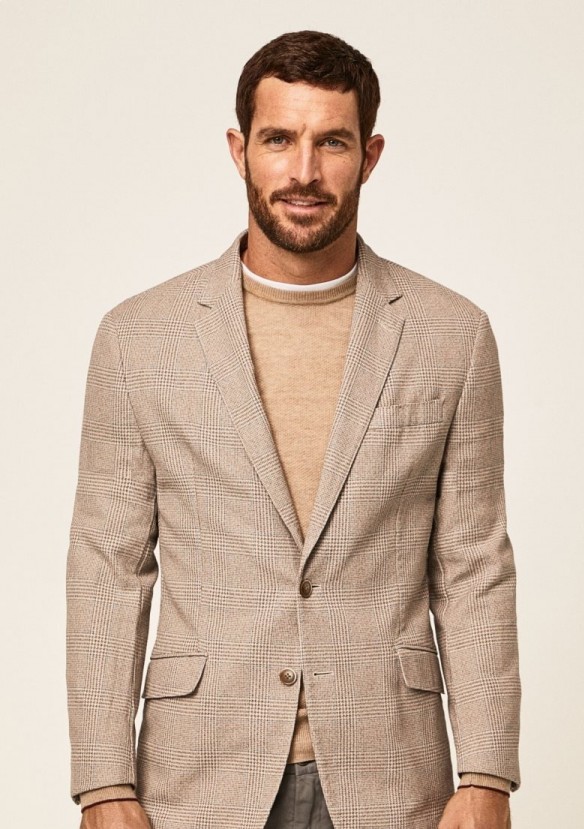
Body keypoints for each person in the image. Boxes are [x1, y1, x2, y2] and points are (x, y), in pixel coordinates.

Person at [66, 30, 520, 829]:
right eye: (279, 139)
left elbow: (474, 566)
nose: (303, 171)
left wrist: (487, 773)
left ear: (369, 156)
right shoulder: (138, 338)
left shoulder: (453, 335)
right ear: (239, 149)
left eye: (331, 142)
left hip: (392, 779)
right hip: (197, 782)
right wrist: (103, 783)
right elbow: (109, 567)